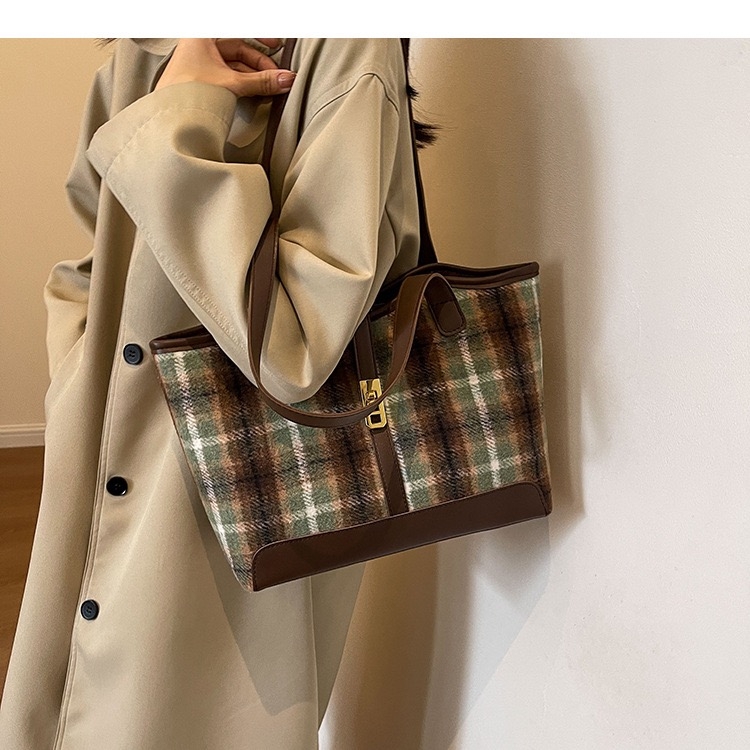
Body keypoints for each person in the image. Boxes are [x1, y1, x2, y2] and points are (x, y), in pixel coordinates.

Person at [0, 38, 426, 748]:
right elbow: (90, 259)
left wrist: (182, 114)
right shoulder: (144, 48)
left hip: (232, 501)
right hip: (96, 460)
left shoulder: (345, 45)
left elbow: (296, 344)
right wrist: (77, 376)